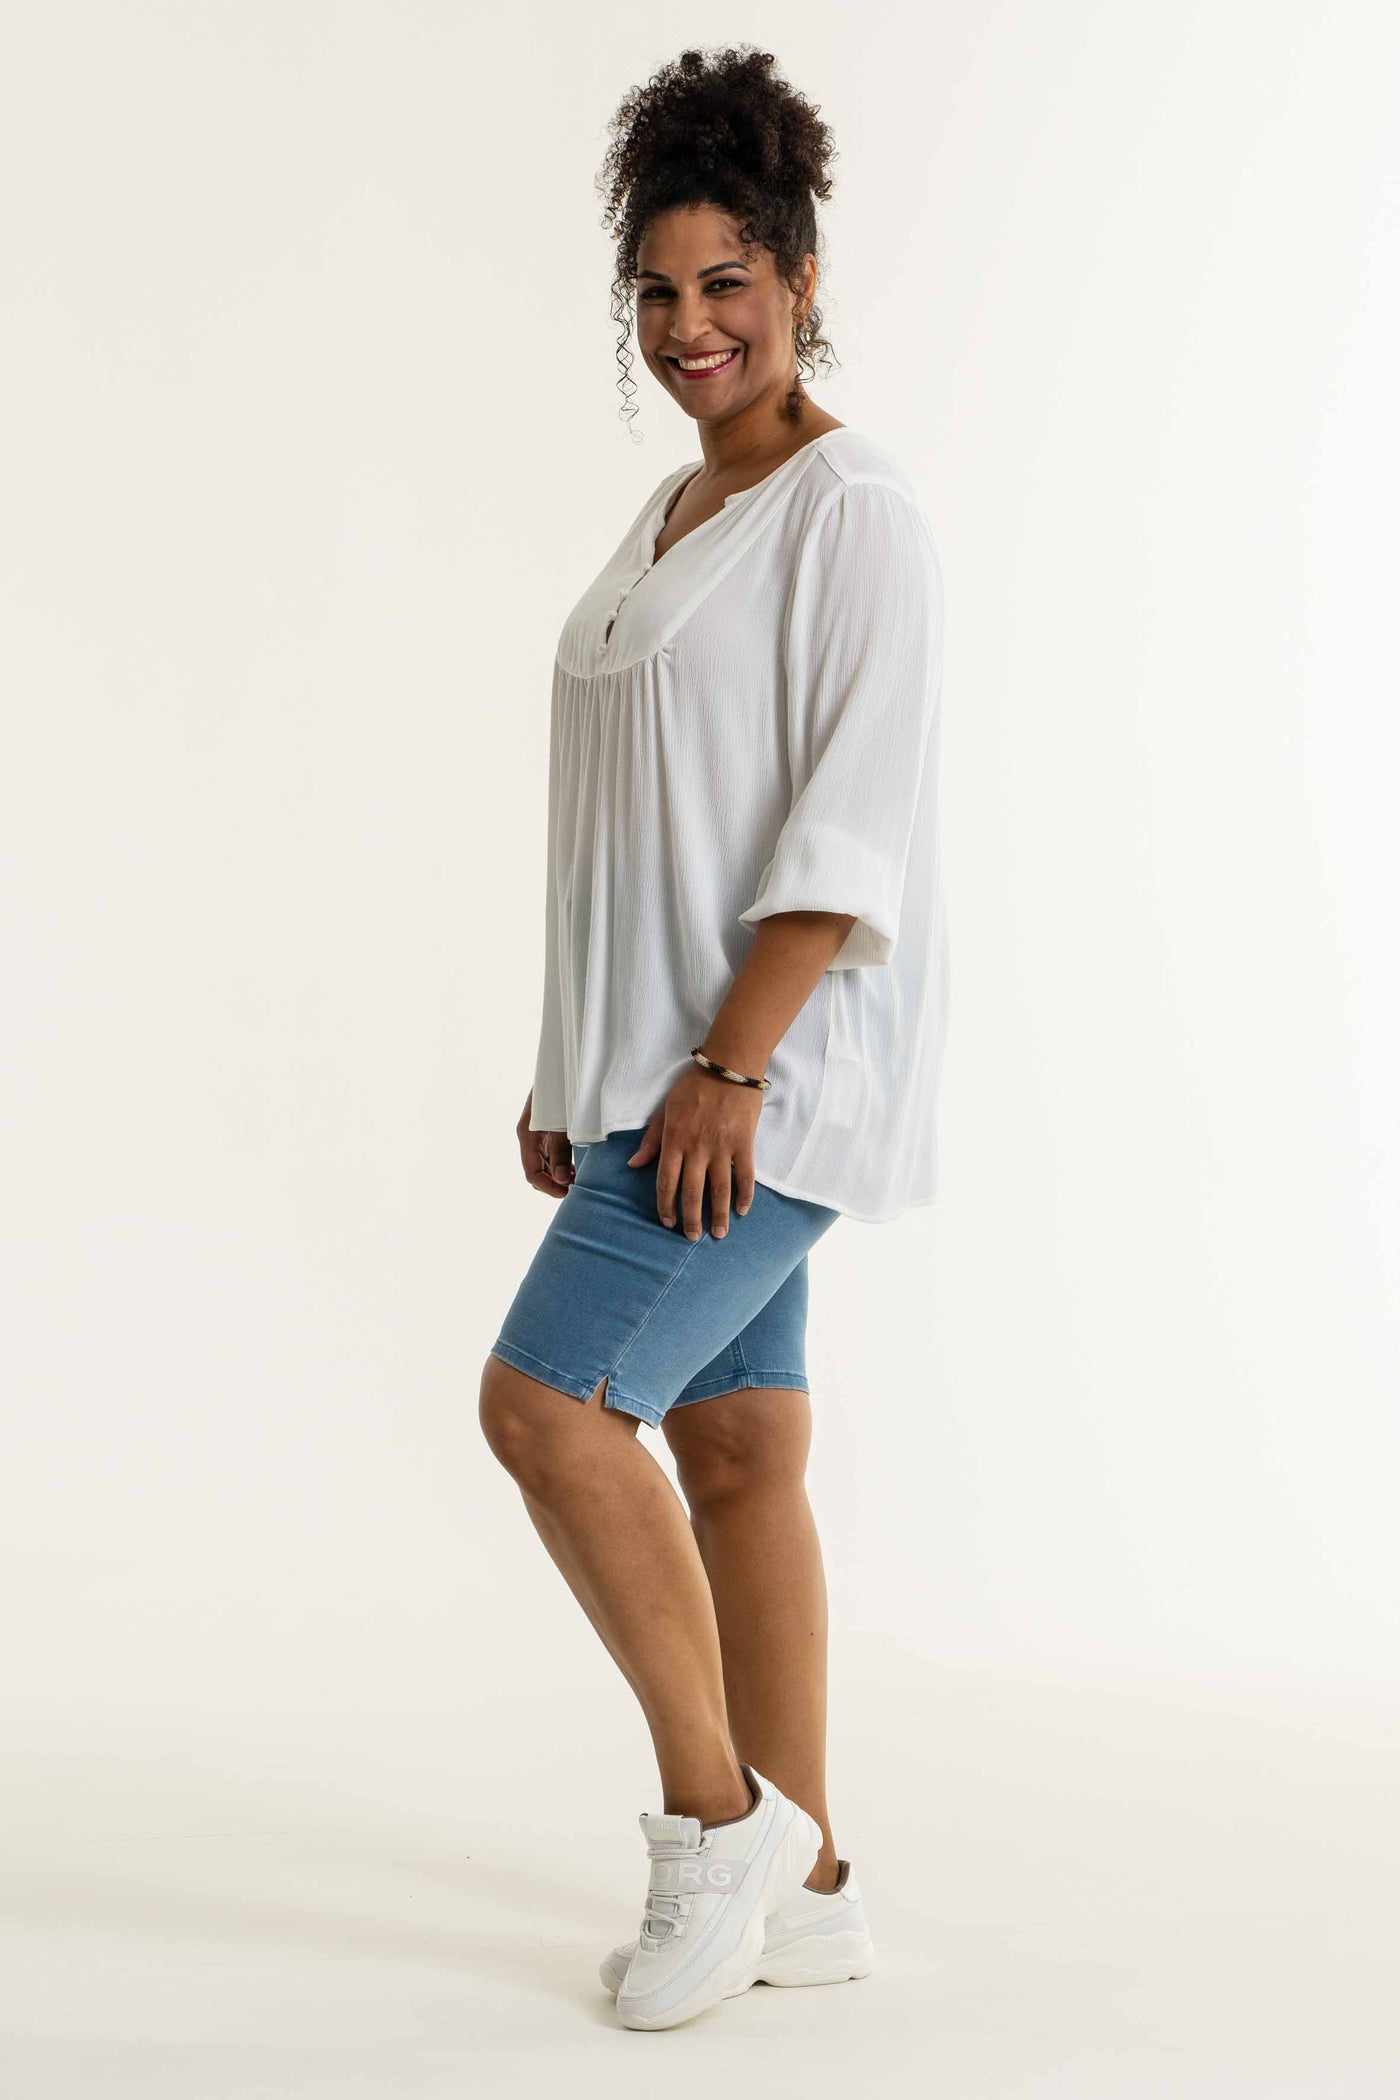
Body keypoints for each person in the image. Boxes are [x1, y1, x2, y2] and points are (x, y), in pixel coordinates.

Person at [478, 44, 949, 2031]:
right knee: (738, 1449)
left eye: (729, 281)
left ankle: (719, 1821)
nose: (692, 325)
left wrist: (729, 1065)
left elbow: (848, 821)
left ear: (802, 275)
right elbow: (627, 822)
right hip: (651, 1081)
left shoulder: (851, 507)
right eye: (659, 290)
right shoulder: (675, 508)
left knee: (544, 1410)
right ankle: (812, 1881)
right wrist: (568, 1057)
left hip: (758, 1085)